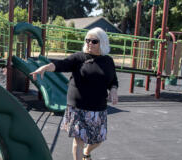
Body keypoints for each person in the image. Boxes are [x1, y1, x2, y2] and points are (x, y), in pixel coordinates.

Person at [30, 27, 118, 160]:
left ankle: (86, 153)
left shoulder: (108, 61)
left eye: (94, 41)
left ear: (102, 43)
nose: (89, 43)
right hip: (78, 107)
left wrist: (114, 90)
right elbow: (61, 64)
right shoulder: (79, 57)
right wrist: (46, 67)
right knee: (78, 141)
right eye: (87, 40)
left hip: (98, 107)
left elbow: (113, 80)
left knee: (98, 140)